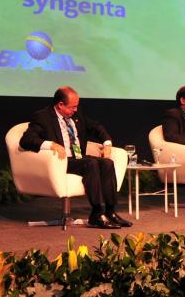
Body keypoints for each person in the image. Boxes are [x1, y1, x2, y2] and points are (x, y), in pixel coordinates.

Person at [19, 86, 131, 229]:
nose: (75, 110)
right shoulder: (43, 117)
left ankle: (110, 212)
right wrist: (50, 144)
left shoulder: (77, 115)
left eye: (76, 106)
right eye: (72, 107)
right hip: (62, 160)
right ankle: (97, 213)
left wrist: (107, 144)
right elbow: (26, 140)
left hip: (79, 158)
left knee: (107, 163)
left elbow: (96, 127)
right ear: (60, 105)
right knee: (91, 164)